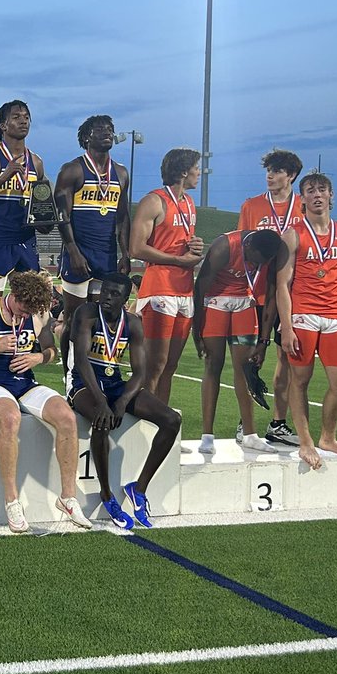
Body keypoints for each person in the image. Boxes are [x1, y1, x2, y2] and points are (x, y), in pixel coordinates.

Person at [0, 269, 92, 532]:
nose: (24, 316)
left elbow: (51, 352)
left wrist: (38, 358)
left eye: (30, 312)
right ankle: (12, 500)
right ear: (13, 295)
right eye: (22, 309)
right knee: (10, 417)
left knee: (66, 417)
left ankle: (68, 498)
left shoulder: (38, 313)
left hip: (26, 383)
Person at [67, 273, 181, 529]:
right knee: (101, 419)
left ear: (126, 297)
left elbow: (140, 371)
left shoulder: (133, 323)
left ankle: (138, 489)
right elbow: (82, 361)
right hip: (85, 384)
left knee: (172, 420)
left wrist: (121, 402)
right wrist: (103, 402)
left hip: (115, 384)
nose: (107, 297)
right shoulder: (87, 313)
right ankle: (106, 493)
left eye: (114, 294)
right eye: (105, 291)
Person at [275, 173, 337, 470]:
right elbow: (282, 284)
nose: (316, 195)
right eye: (310, 190)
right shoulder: (293, 235)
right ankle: (305, 441)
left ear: (331, 195)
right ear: (302, 198)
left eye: (321, 190)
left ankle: (328, 437)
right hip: (303, 316)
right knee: (299, 381)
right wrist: (286, 326)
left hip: (334, 317)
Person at [191, 229, 284, 454]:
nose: (255, 264)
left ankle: (250, 434)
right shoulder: (224, 246)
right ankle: (207, 435)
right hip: (214, 301)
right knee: (214, 365)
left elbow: (271, 297)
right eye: (253, 259)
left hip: (244, 301)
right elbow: (200, 286)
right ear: (248, 244)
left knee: (247, 369)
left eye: (260, 262)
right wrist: (197, 330)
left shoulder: (271, 252)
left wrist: (264, 341)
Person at [238, 149, 306, 447]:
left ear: (291, 176)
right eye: (268, 169)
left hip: (291, 295)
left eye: (277, 171)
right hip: (257, 292)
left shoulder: (304, 207)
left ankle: (278, 423)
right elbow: (241, 249)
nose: (270, 175)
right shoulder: (251, 206)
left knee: (287, 358)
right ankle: (246, 422)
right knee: (249, 358)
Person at [54, 114, 131, 368]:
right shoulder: (72, 170)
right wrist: (73, 250)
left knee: (98, 319)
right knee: (73, 318)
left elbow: (122, 217)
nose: (107, 132)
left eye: (110, 129)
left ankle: (93, 371)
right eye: (100, 129)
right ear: (87, 136)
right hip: (79, 254)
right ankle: (69, 374)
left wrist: (125, 253)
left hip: (106, 256)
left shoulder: (120, 173)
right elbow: (62, 215)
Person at [130, 148, 205, 404]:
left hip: (184, 289)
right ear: (183, 171)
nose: (200, 172)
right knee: (155, 364)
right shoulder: (154, 201)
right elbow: (136, 248)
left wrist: (193, 247)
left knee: (170, 366)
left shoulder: (189, 203)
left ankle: (161, 423)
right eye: (197, 167)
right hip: (159, 288)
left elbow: (177, 242)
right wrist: (176, 259)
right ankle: (145, 425)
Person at [0, 100, 50, 303]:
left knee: (30, 309)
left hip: (26, 240)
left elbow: (41, 208)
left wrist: (47, 222)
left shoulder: (37, 162)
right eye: (16, 117)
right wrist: (2, 178)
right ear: (3, 125)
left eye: (26, 117)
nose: (23, 121)